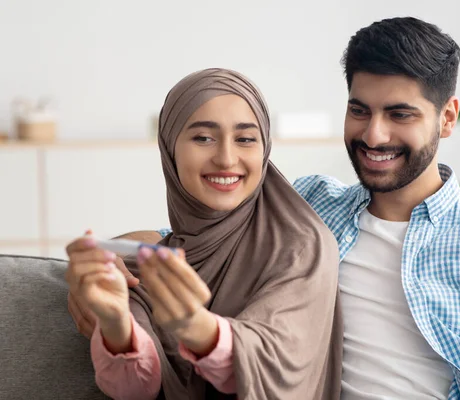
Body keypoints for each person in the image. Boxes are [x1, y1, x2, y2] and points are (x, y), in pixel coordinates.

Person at [69, 17, 460, 400]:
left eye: (400, 114)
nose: (374, 134)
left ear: (447, 118)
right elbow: (201, 235)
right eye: (360, 110)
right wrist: (102, 258)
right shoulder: (307, 206)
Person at [65, 68, 343, 399]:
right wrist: (114, 325)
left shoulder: (301, 246)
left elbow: (279, 368)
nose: (226, 158)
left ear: (265, 148)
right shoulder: (144, 274)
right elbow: (136, 389)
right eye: (203, 138)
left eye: (245, 139)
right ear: (170, 150)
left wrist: (196, 327)